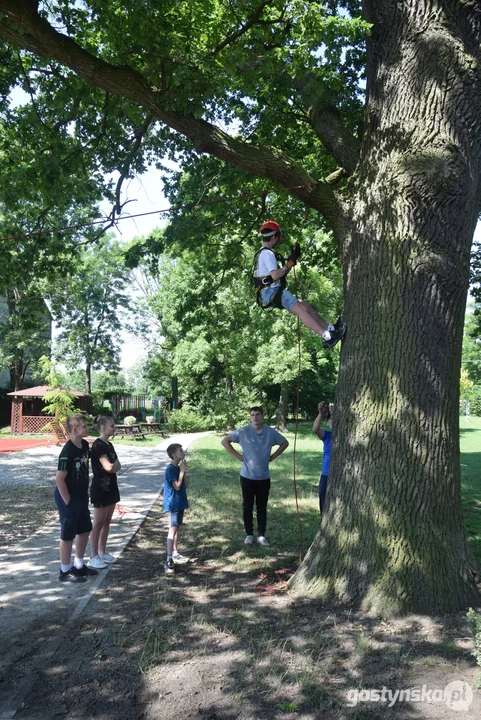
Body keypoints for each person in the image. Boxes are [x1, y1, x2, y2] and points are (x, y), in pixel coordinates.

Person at [254, 220, 346, 348]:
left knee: (305, 305)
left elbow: (274, 275)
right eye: (277, 239)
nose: (277, 242)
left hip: (268, 292)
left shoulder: (260, 253)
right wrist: (289, 265)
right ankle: (328, 337)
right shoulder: (268, 253)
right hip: (271, 291)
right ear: (274, 236)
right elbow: (275, 275)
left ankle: (330, 328)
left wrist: (292, 259)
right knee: (301, 310)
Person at [221, 406, 289, 546]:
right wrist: (238, 456)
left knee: (262, 507)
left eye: (257, 414)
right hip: (247, 476)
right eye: (252, 415)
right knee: (247, 506)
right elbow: (225, 441)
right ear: (250, 417)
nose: (255, 417)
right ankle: (249, 534)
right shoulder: (243, 431)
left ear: (262, 416)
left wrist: (273, 457)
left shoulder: (270, 432)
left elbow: (285, 443)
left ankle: (262, 535)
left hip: (263, 477)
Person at [54, 413, 98, 583]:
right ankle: (64, 571)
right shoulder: (67, 451)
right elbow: (59, 479)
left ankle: (78, 565)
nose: (87, 429)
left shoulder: (85, 445)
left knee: (85, 528)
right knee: (68, 534)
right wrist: (68, 502)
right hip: (68, 497)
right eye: (84, 426)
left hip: (81, 496)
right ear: (75, 429)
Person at [87, 415, 121, 570]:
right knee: (98, 523)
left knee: (107, 522)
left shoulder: (109, 445)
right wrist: (113, 467)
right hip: (101, 488)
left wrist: (114, 467)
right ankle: (93, 556)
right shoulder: (98, 445)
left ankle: (102, 552)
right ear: (102, 428)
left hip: (111, 486)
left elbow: (118, 465)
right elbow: (108, 467)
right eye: (112, 426)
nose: (114, 428)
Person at [163, 443, 189, 574]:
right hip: (173, 503)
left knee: (177, 527)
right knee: (172, 528)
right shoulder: (170, 469)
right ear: (174, 455)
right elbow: (177, 486)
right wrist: (182, 471)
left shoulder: (178, 468)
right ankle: (168, 559)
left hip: (180, 502)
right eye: (180, 450)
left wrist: (184, 472)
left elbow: (185, 485)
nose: (183, 451)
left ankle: (175, 552)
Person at [312, 402, 334, 514]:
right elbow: (315, 429)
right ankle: (323, 519)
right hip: (326, 473)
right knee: (322, 495)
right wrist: (321, 413)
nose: (332, 420)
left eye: (335, 418)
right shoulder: (327, 435)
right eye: (330, 418)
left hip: (340, 474)